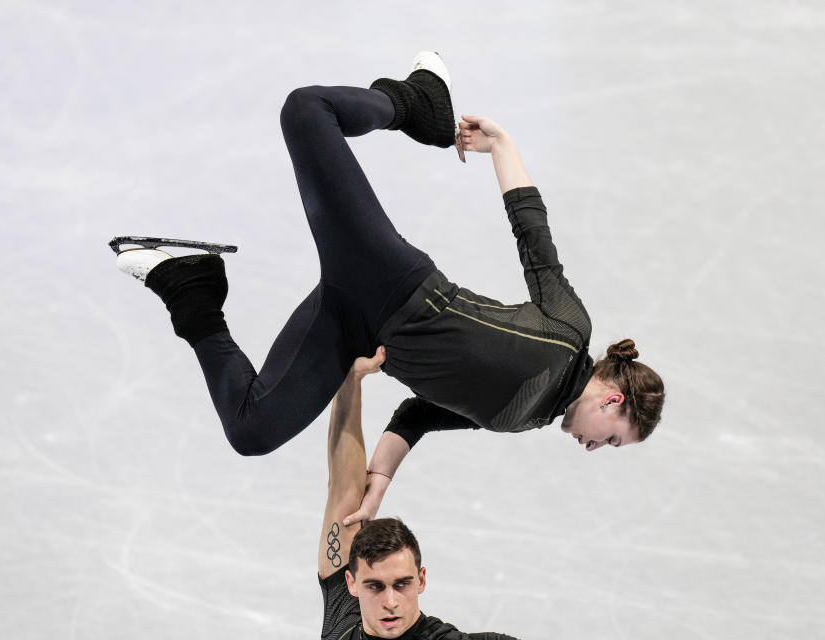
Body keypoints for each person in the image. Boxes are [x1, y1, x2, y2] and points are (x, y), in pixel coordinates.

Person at [109, 52, 666, 512]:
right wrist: (503, 147)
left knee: (251, 431)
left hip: (358, 334)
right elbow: (534, 239)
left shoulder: (526, 419)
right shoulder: (568, 335)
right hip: (391, 284)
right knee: (308, 111)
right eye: (612, 437)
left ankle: (190, 283)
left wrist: (381, 479)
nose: (597, 447)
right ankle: (414, 101)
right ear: (613, 399)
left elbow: (418, 412)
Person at [319, 346, 519, 640]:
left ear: (421, 580)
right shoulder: (342, 619)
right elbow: (342, 487)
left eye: (402, 584)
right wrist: (351, 378)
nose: (390, 603)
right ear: (351, 583)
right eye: (375, 586)